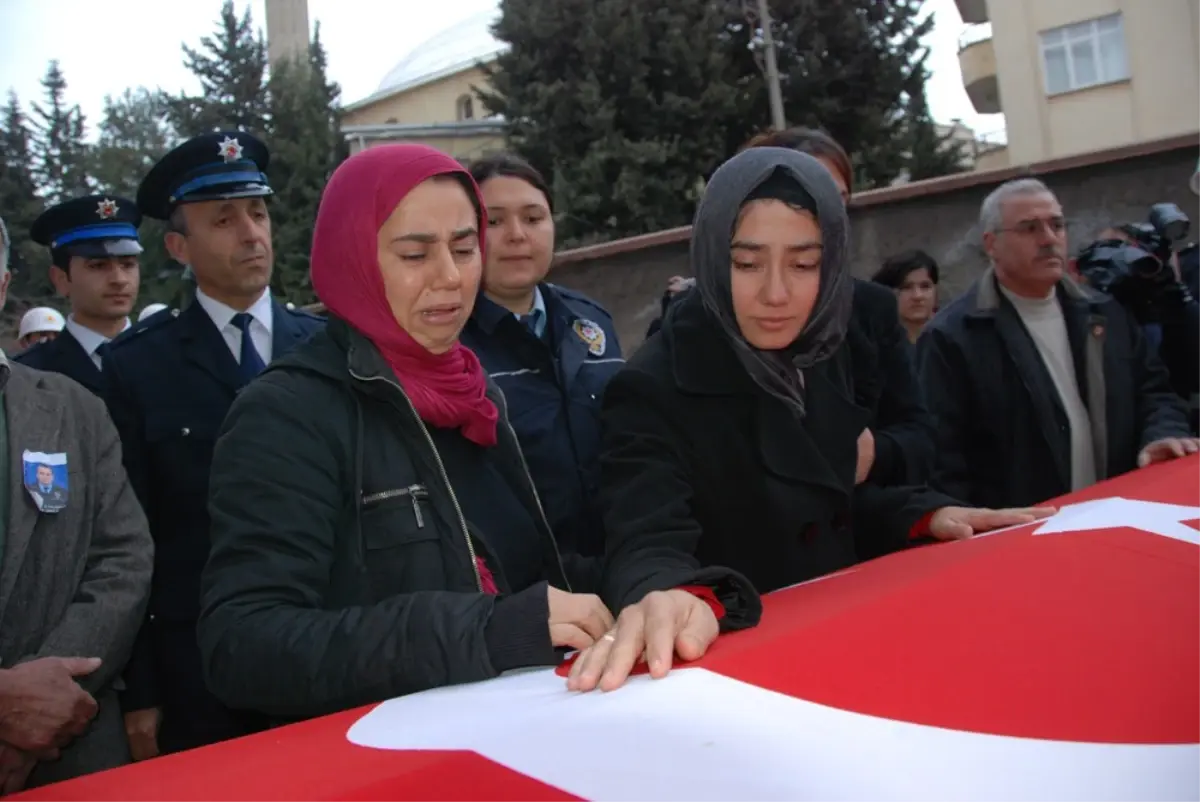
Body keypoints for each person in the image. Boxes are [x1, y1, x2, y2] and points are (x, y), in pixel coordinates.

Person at [567, 148, 1052, 693]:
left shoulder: (820, 349)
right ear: (708, 257)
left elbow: (824, 502)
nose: (776, 294)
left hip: (844, 641)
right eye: (746, 264)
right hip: (746, 676)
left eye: (803, 264)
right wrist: (670, 593)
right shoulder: (654, 385)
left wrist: (923, 516)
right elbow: (645, 537)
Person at [197, 144, 614, 720]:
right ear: (355, 261)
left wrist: (659, 585)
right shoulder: (287, 414)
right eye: (416, 254)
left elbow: (533, 570)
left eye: (465, 249)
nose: (451, 276)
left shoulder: (471, 391)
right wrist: (486, 630)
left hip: (514, 725)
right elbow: (244, 644)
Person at [101, 131, 323, 758]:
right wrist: (141, 689)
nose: (252, 233)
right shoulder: (138, 368)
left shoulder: (331, 348)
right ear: (178, 246)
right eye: (223, 220)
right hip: (201, 671)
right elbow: (130, 541)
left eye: (258, 212)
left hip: (329, 647)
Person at [916, 178, 1199, 509]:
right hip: (1025, 537)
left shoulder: (1104, 312)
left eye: (1057, 225)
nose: (1049, 239)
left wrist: (1161, 434)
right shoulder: (953, 336)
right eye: (1030, 228)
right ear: (991, 244)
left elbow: (1153, 391)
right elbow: (941, 456)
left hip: (1118, 514)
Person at [0, 214, 153, 793]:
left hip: (71, 750)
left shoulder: (74, 409)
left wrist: (42, 705)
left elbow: (123, 559)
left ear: (4, 284)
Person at [457, 153, 622, 563]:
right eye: (493, 222)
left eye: (533, 218)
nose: (517, 235)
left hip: (620, 565)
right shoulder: (450, 344)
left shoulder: (591, 323)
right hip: (525, 590)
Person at [14, 195, 142, 394]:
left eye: (128, 265)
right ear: (61, 279)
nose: (119, 279)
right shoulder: (28, 374)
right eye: (98, 266)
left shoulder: (174, 357)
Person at [872, 249, 940, 343]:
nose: (918, 296)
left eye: (925, 287)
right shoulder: (875, 343)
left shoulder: (952, 338)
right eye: (906, 287)